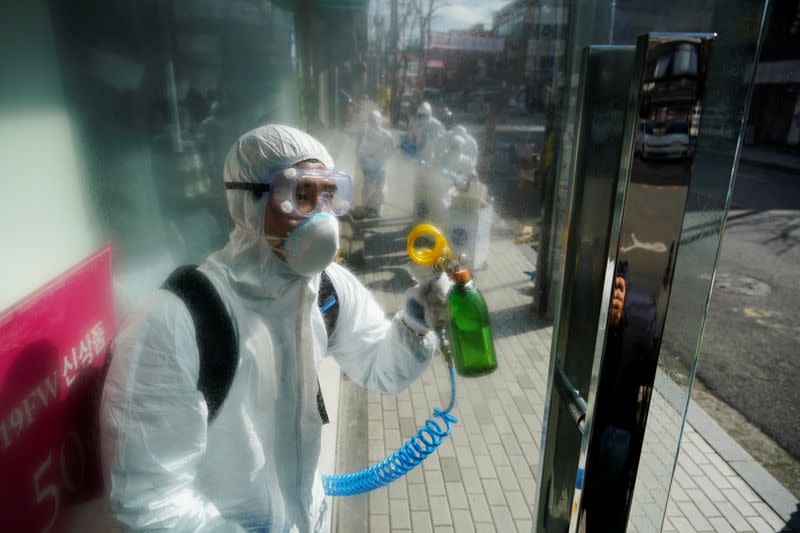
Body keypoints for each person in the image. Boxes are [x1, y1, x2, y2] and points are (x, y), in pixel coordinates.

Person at [100, 124, 450, 532]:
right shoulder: (177, 321)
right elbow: (150, 501)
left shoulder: (327, 288)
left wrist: (416, 320)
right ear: (251, 202)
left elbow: (379, 365)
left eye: (328, 196)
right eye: (301, 196)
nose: (321, 216)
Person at [357, 109, 394, 217]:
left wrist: (383, 161)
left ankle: (378, 209)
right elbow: (360, 150)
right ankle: (368, 208)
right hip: (369, 167)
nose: (374, 122)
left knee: (381, 188)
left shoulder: (386, 134)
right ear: (369, 120)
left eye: (376, 119)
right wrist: (364, 164)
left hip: (382, 167)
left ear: (380, 120)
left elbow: (391, 150)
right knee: (368, 188)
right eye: (372, 120)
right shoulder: (364, 133)